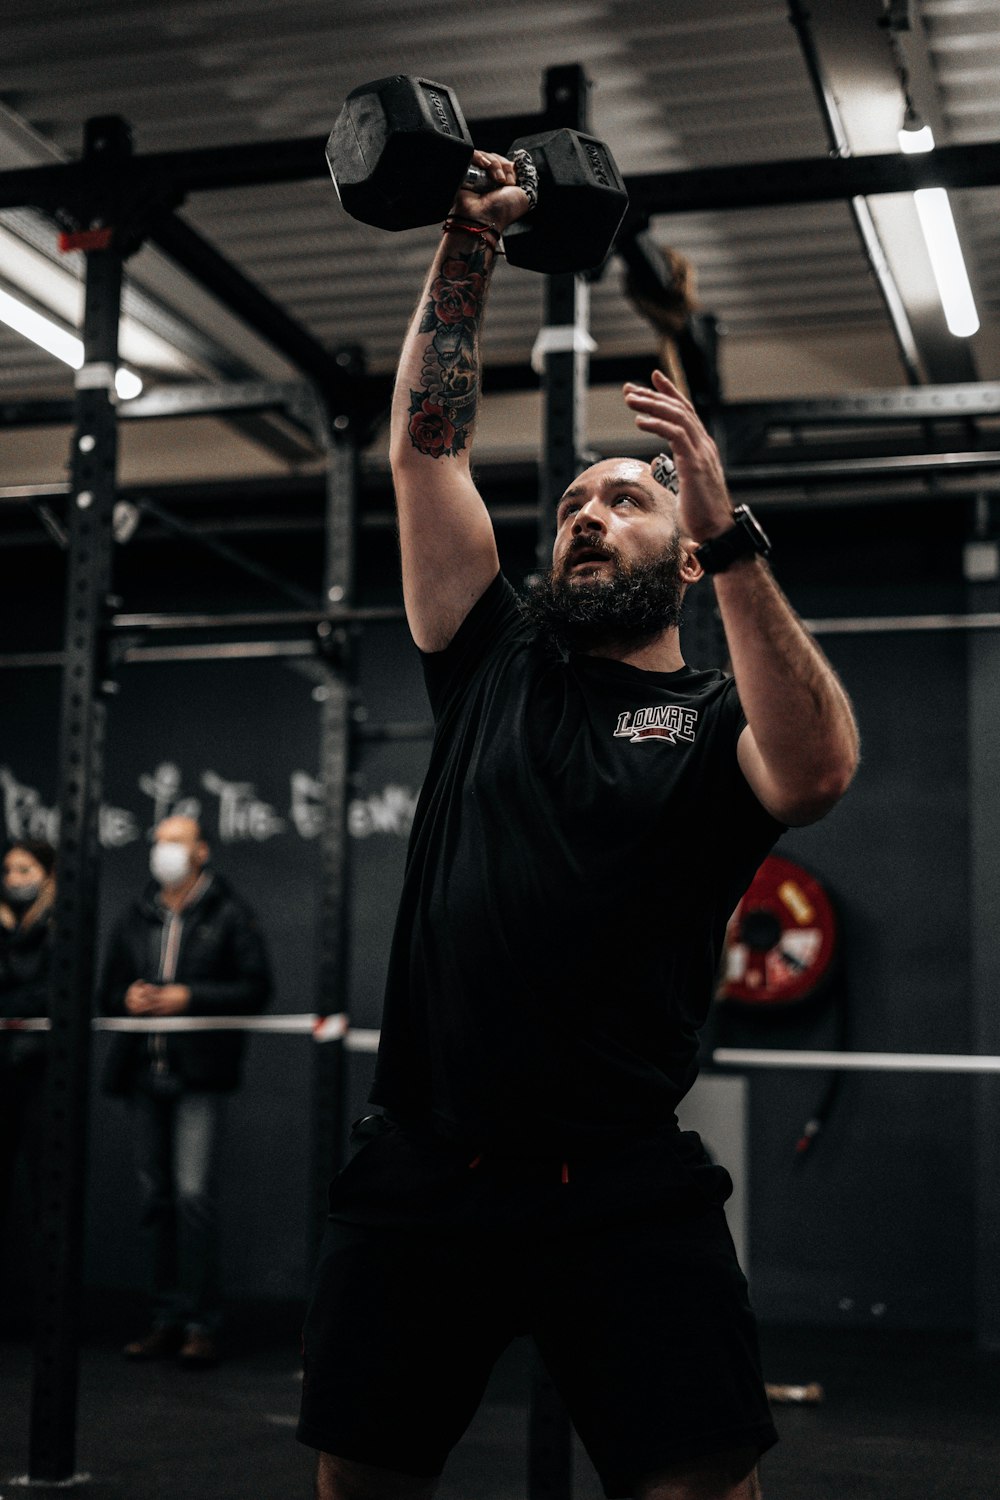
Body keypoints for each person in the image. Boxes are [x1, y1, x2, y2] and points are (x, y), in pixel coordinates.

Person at [297, 154, 859, 1500]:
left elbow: (822, 768)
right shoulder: (489, 659)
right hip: (426, 1165)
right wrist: (470, 248)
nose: (589, 518)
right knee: (360, 1480)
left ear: (681, 546)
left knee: (702, 1484)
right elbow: (427, 445)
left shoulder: (724, 718)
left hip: (618, 1180)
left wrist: (734, 538)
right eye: (573, 505)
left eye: (627, 497)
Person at [98, 815, 271, 1368]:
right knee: (157, 1200)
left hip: (198, 1076)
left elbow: (255, 987)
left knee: (194, 1197)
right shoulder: (136, 913)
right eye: (158, 841)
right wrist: (127, 997)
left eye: (174, 841)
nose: (162, 850)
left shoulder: (229, 911)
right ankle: (165, 1319)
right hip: (143, 1075)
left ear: (201, 851)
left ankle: (202, 1323)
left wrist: (187, 997)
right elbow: (104, 988)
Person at [0, 839, 57, 1327]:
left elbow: (54, 991)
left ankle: (50, 1309)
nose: (14, 878)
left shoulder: (61, 923)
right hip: (4, 1073)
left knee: (48, 1194)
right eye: (9, 870)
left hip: (43, 1074)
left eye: (26, 868)